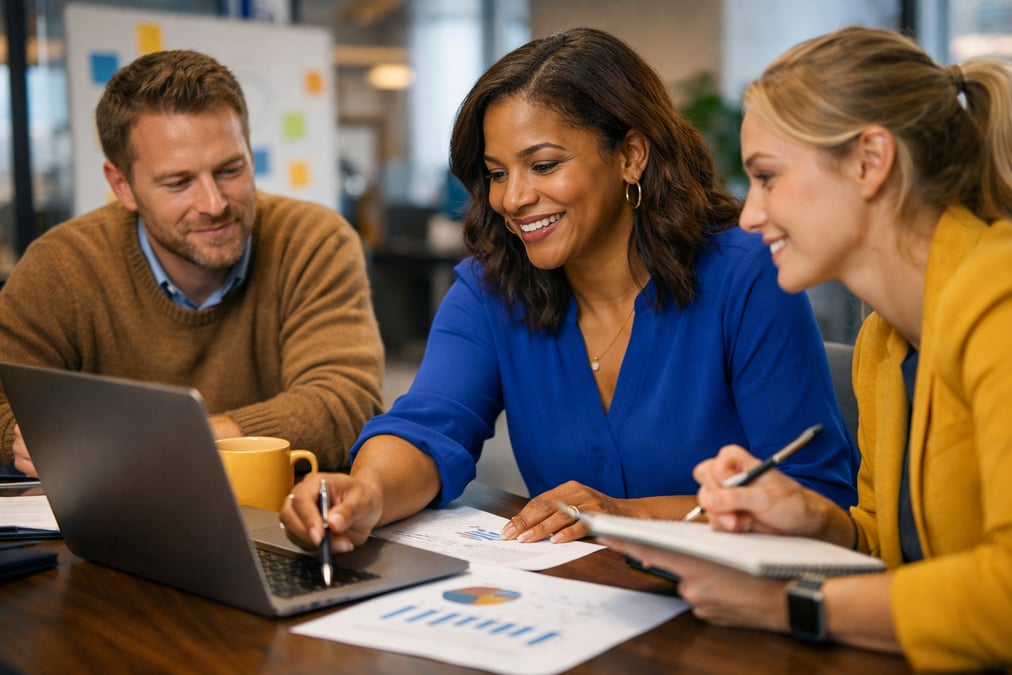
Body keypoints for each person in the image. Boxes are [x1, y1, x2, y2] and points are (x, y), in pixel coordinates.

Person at [281, 28, 856, 551]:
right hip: (575, 614)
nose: (513, 198)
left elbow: (816, 498)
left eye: (545, 164)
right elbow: (427, 427)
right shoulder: (491, 290)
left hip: (736, 620)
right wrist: (367, 494)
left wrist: (624, 516)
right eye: (499, 173)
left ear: (630, 156)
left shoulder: (746, 273)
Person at [600, 26, 1012, 671]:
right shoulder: (887, 339)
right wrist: (817, 523)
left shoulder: (1001, 308)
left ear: (870, 162)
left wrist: (782, 604)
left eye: (767, 177)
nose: (749, 215)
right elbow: (901, 549)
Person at [0, 50, 384, 475]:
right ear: (122, 186)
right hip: (108, 525)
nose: (214, 204)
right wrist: (19, 432)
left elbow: (346, 405)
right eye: (179, 182)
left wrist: (167, 437)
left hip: (278, 523)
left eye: (229, 170)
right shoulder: (62, 265)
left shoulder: (314, 241)